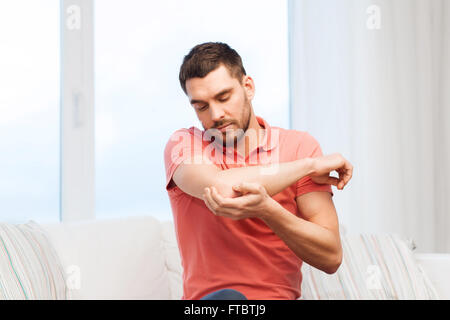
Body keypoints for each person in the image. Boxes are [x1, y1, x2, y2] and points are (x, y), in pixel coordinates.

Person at [163, 42, 353, 300]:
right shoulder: (185, 144)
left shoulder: (298, 146)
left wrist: (268, 210)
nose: (216, 114)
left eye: (223, 97)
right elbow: (222, 188)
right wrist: (308, 166)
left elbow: (331, 257)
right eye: (202, 106)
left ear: (248, 87)